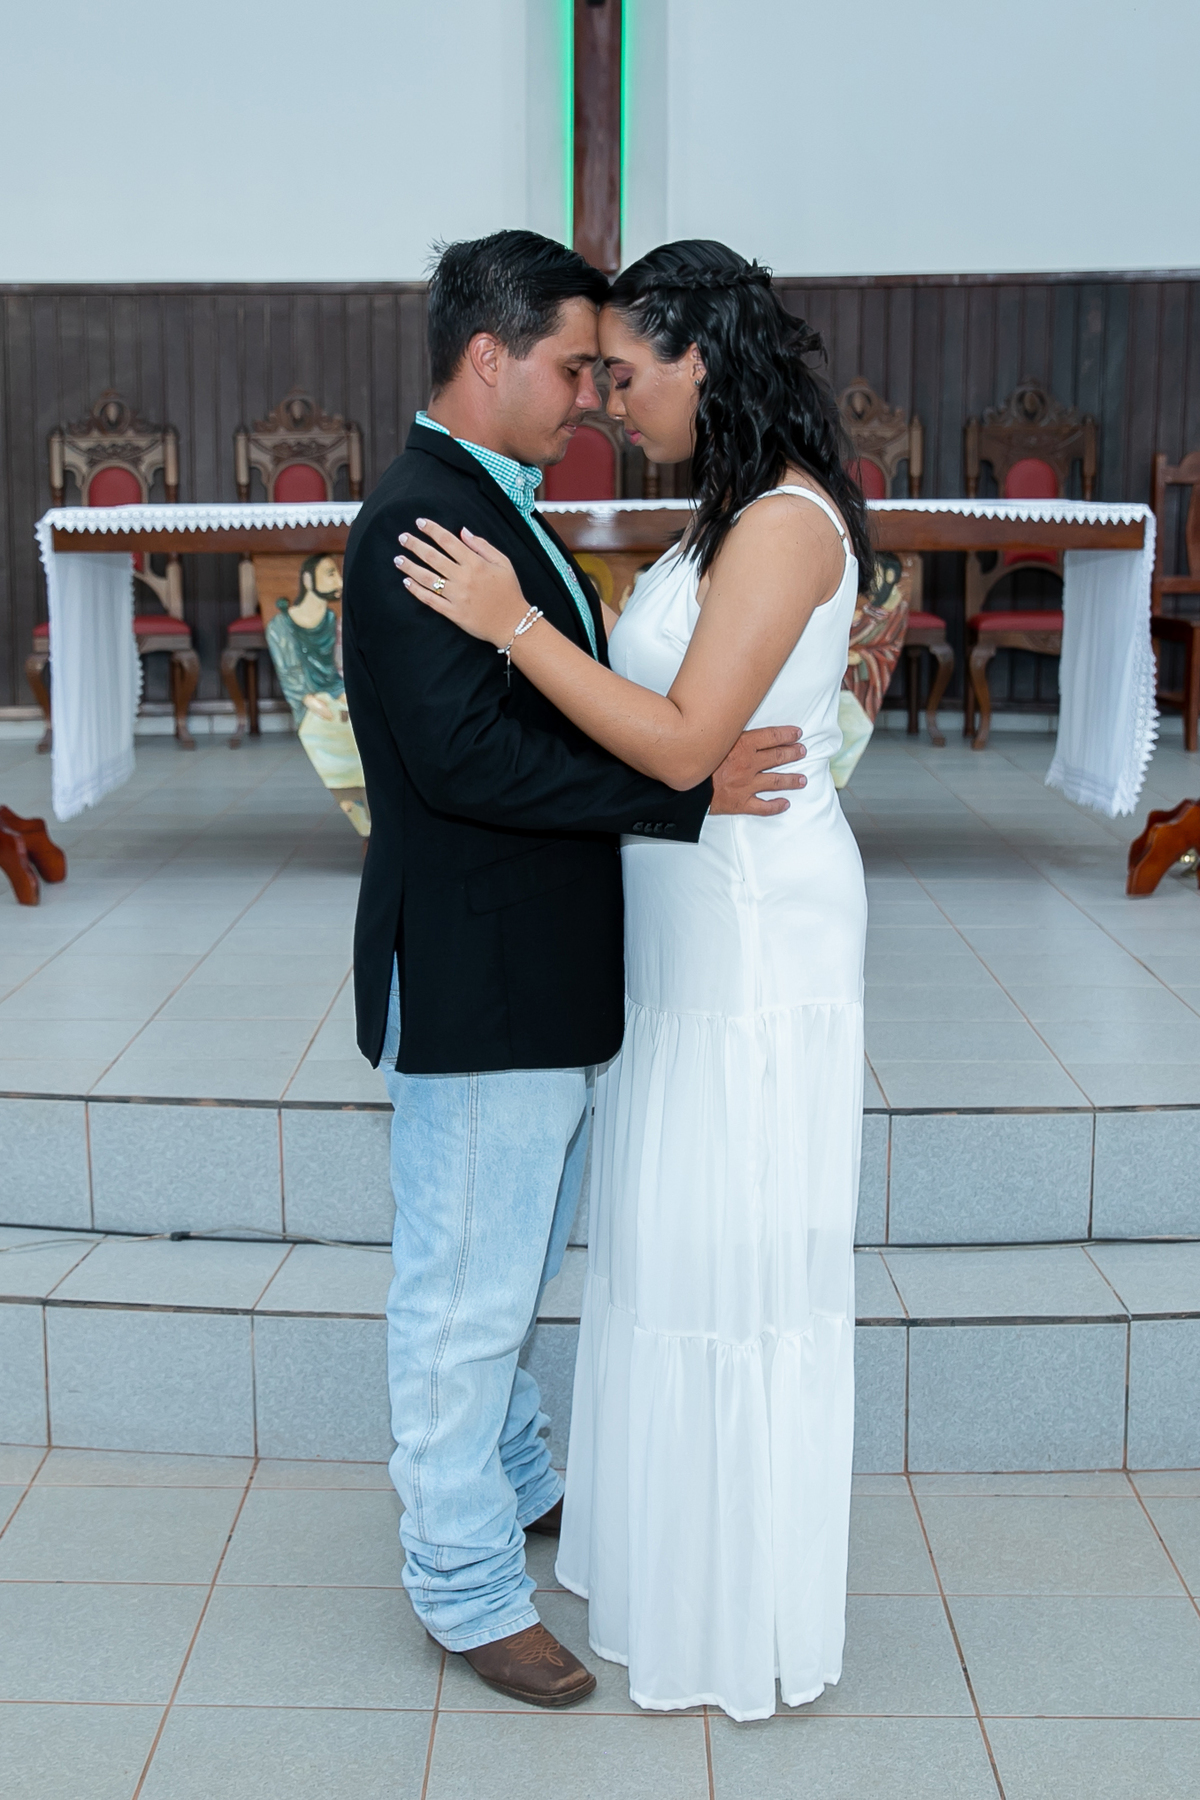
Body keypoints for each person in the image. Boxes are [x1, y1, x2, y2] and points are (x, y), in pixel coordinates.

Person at [399, 238, 871, 1722]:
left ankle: (736, 1594)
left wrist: (517, 624)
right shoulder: (720, 511)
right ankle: (668, 1550)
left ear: (699, 361)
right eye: (585, 371)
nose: (607, 399)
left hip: (746, 930)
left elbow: (677, 743)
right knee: (665, 1251)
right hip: (673, 931)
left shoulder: (779, 522)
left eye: (625, 371)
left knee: (729, 1257)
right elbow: (668, 730)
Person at [265, 553, 370, 835]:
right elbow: (292, 675)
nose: (339, 582)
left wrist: (345, 696)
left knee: (363, 723)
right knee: (332, 732)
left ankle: (373, 814)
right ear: (308, 580)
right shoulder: (281, 625)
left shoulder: (331, 618)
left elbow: (336, 669)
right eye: (330, 573)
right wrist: (313, 700)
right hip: (310, 701)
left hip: (335, 691)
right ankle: (361, 815)